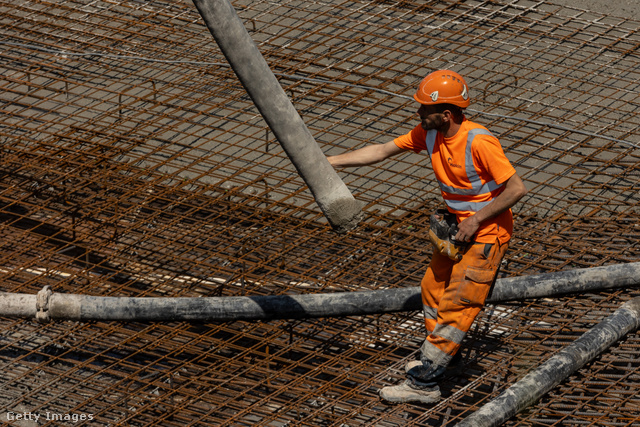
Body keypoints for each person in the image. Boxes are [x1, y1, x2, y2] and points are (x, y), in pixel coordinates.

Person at [327, 70, 527, 404]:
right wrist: (326, 162)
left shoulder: (479, 141)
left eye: (424, 108)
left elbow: (517, 188)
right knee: (432, 290)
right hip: (458, 231)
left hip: (486, 235)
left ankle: (424, 383)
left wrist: (476, 219)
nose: (418, 113)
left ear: (446, 115)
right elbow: (380, 151)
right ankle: (446, 359)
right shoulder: (428, 133)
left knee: (457, 307)